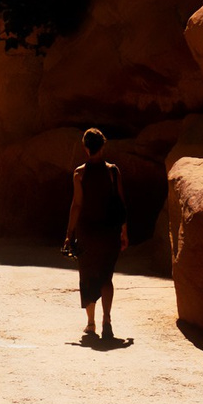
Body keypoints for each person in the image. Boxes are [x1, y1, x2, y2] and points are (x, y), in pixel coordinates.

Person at [63, 127, 127, 343]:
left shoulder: (79, 174)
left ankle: (91, 323)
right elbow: (121, 203)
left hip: (87, 232)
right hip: (109, 231)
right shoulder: (113, 171)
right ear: (103, 145)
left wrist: (69, 234)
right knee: (106, 277)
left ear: (85, 147)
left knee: (88, 276)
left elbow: (76, 205)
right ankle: (106, 320)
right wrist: (124, 232)